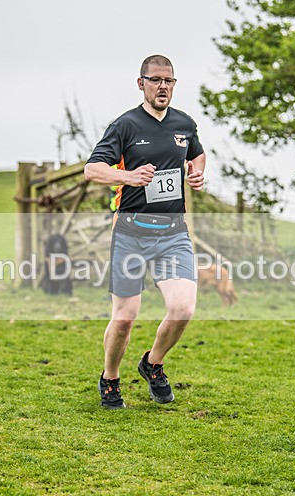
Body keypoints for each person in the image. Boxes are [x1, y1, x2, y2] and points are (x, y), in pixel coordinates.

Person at [84, 54, 206, 409]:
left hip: (172, 234)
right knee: (124, 318)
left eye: (169, 81)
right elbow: (93, 170)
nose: (163, 86)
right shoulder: (125, 125)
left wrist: (196, 172)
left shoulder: (184, 124)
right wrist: (128, 176)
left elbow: (197, 155)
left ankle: (152, 364)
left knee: (183, 308)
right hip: (131, 233)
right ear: (141, 84)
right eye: (155, 80)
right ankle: (110, 379)